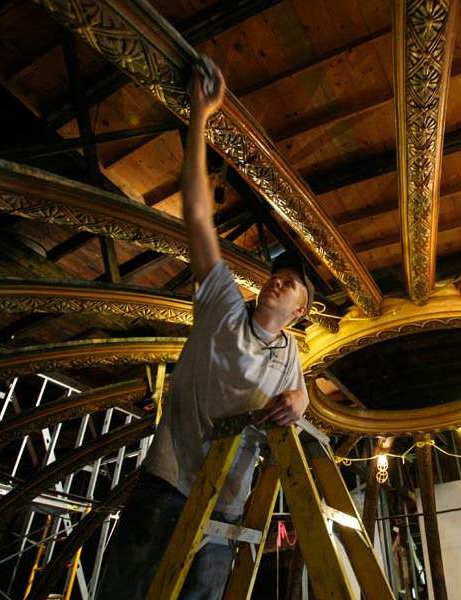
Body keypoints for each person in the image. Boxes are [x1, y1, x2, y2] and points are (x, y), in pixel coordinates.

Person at [97, 57, 312, 600]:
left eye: (291, 284)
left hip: (227, 504)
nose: (278, 283)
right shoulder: (222, 304)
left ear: (300, 311)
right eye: (277, 275)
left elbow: (299, 395)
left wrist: (301, 401)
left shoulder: (290, 350)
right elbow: (197, 216)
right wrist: (200, 116)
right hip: (168, 484)